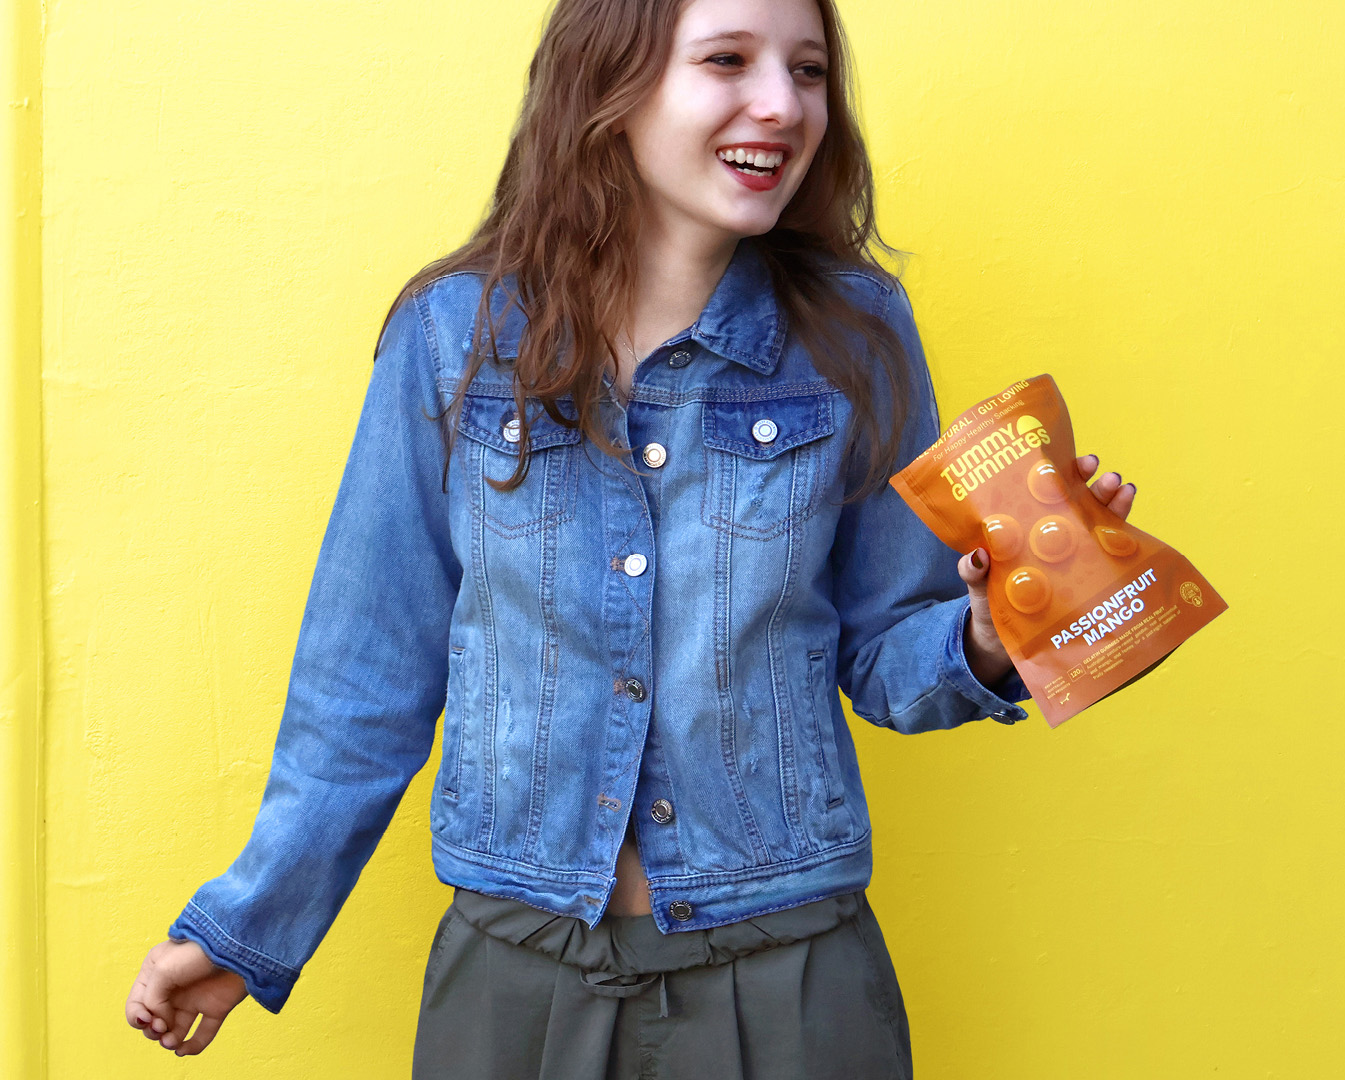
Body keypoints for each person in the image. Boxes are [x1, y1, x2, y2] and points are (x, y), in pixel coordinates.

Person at [124, 0, 1139, 1073]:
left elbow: (888, 655)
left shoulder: (858, 331)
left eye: (806, 70)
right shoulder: (452, 339)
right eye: (727, 61)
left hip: (790, 980)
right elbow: (365, 680)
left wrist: (988, 632)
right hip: (517, 980)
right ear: (609, 86)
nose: (782, 105)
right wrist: (248, 932)